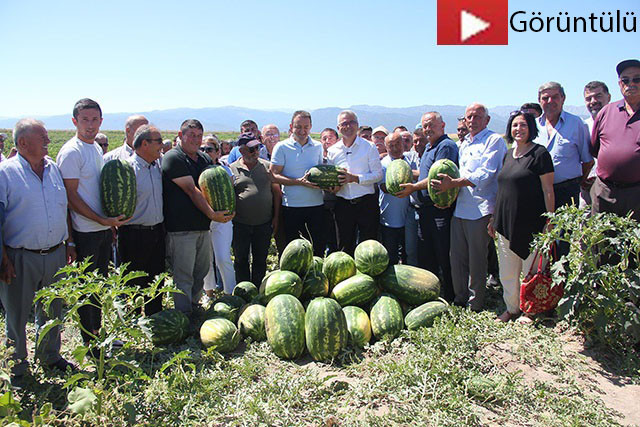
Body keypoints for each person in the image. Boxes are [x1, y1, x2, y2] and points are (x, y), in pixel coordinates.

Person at [0, 119, 77, 387]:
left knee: (53, 309)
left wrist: (69, 242)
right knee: (17, 314)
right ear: (23, 143)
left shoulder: (53, 168)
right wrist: (3, 259)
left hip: (55, 252)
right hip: (20, 256)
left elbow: (62, 207)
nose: (47, 140)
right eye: (42, 137)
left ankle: (50, 356)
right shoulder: (5, 173)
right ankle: (18, 367)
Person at [57, 98, 129, 350]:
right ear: (75, 121)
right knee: (88, 289)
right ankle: (90, 342)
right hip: (85, 230)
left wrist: (109, 223)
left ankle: (99, 335)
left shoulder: (95, 149)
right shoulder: (71, 152)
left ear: (101, 121)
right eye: (85, 120)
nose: (90, 125)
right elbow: (71, 197)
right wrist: (99, 221)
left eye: (94, 119)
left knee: (99, 285)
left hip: (101, 228)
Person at [433, 104, 507, 310]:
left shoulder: (494, 141)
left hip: (481, 209)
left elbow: (486, 175)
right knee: (456, 257)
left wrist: (454, 184)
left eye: (477, 116)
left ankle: (475, 302)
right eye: (469, 117)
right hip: (461, 208)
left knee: (477, 260)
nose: (473, 120)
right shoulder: (464, 143)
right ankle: (460, 297)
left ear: (487, 120)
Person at [161, 119, 233, 319]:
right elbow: (192, 190)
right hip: (181, 228)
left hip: (202, 226)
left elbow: (214, 186)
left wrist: (224, 209)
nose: (195, 139)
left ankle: (194, 306)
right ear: (180, 135)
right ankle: (183, 315)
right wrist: (212, 214)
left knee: (200, 272)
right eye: (190, 135)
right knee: (184, 275)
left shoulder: (203, 159)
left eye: (198, 136)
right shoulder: (173, 158)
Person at [489, 111, 555, 322]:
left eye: (523, 125)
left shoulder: (539, 153)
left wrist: (550, 219)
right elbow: (502, 189)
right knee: (507, 272)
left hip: (532, 222)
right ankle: (512, 309)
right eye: (515, 125)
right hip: (505, 222)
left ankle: (531, 311)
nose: (518, 129)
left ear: (531, 128)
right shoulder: (508, 154)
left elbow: (548, 190)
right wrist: (493, 219)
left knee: (532, 270)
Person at [396, 111, 458, 301]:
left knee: (443, 256)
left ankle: (450, 296)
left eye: (431, 124)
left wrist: (413, 187)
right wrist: (400, 170)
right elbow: (423, 174)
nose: (427, 129)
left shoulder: (445, 146)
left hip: (439, 210)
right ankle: (431, 296)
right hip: (425, 212)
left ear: (443, 125)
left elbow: (437, 178)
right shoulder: (430, 148)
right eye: (425, 126)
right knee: (427, 257)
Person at [118, 124, 165, 315]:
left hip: (157, 231)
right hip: (134, 234)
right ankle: (134, 322)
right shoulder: (127, 169)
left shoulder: (157, 166)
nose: (162, 145)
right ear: (144, 143)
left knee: (156, 280)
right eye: (159, 141)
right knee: (134, 281)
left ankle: (154, 318)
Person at [590, 59, 640, 222]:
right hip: (604, 192)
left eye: (637, 79)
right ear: (619, 84)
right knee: (601, 243)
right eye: (625, 80)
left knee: (633, 245)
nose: (630, 84)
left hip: (637, 194)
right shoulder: (606, 112)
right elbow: (596, 148)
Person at [327, 110, 383, 255]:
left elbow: (378, 175)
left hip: (367, 204)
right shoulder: (332, 151)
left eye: (352, 122)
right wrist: (333, 187)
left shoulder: (369, 147)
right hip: (343, 204)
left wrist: (355, 178)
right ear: (338, 128)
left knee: (369, 249)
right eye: (344, 123)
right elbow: (331, 179)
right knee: (345, 247)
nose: (348, 126)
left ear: (357, 125)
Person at [270, 111, 325, 255]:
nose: (302, 130)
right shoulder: (281, 147)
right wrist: (299, 182)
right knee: (295, 253)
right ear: (291, 126)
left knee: (316, 250)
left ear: (311, 126)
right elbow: (274, 175)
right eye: (298, 127)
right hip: (291, 207)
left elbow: (321, 172)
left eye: (306, 127)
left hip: (316, 206)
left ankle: (315, 277)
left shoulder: (318, 146)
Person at [534, 82, 593, 211]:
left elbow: (588, 161)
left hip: (567, 192)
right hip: (537, 191)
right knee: (539, 230)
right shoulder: (533, 126)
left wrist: (578, 182)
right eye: (545, 98)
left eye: (555, 97)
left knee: (565, 230)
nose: (550, 101)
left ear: (563, 98)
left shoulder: (577, 123)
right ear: (539, 101)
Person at [231, 133, 281, 285]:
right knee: (241, 259)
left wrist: (276, 217)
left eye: (258, 148)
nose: (256, 152)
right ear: (241, 151)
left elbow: (277, 193)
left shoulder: (266, 167)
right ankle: (244, 289)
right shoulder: (232, 169)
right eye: (251, 149)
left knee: (260, 259)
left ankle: (258, 289)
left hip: (263, 223)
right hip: (240, 224)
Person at [199, 135, 236, 295]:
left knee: (222, 257)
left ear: (217, 151)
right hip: (203, 220)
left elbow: (231, 194)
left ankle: (230, 293)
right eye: (203, 149)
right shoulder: (197, 169)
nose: (206, 152)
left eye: (209, 149)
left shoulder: (225, 170)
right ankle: (209, 292)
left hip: (223, 219)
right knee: (206, 260)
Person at [378, 132, 417, 265]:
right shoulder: (383, 164)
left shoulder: (411, 162)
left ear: (404, 144)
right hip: (389, 219)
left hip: (409, 218)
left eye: (398, 144)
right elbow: (383, 186)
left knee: (409, 254)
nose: (395, 148)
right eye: (391, 146)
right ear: (386, 147)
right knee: (391, 255)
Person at [580, 81, 611, 207]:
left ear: (608, 97)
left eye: (598, 96)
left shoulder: (620, 123)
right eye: (588, 98)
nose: (593, 101)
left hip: (612, 188)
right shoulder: (582, 126)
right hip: (586, 189)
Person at [320, 128, 339, 255]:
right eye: (324, 138)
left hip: (339, 203)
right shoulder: (317, 159)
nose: (327, 141)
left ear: (337, 140)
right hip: (321, 204)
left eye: (331, 138)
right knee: (323, 237)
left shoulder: (340, 157)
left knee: (337, 239)